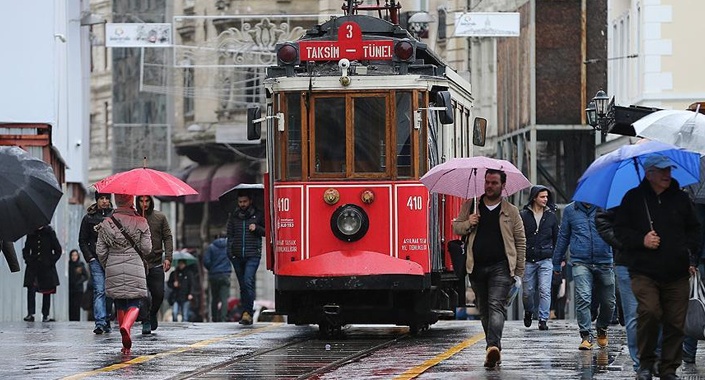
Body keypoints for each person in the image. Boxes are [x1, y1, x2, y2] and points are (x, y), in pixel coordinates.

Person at [615, 155, 701, 380]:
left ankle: (669, 368)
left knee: (675, 321)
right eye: (661, 170)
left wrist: (690, 256)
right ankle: (645, 363)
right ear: (648, 173)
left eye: (669, 170)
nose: (667, 174)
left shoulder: (681, 199)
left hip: (677, 273)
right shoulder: (633, 199)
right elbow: (620, 232)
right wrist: (641, 240)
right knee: (650, 312)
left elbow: (695, 230)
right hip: (644, 272)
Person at [452, 169, 526, 368]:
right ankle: (493, 349)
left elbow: (520, 242)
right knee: (484, 310)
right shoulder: (471, 205)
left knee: (496, 306)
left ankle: (492, 346)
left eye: (494, 183)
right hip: (475, 266)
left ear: (503, 186)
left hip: (501, 266)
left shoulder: (511, 211)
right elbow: (456, 228)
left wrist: (518, 272)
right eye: (487, 182)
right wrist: (469, 222)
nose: (489, 186)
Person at [553, 201, 615, 351]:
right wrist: (556, 261)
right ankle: (586, 335)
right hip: (581, 261)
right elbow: (563, 236)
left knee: (609, 302)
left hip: (604, 261)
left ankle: (602, 327)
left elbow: (616, 232)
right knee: (583, 297)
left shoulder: (606, 208)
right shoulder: (570, 210)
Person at [95, 193, 152, 355]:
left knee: (119, 301)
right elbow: (147, 249)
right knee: (135, 301)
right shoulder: (141, 221)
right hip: (135, 264)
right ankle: (126, 326)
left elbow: (100, 250)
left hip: (113, 264)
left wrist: (108, 264)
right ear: (131, 201)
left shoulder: (107, 223)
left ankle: (124, 343)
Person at [596, 207, 640, 371]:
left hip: (658, 262)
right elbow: (602, 220)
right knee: (633, 314)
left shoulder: (668, 196)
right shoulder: (621, 195)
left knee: (655, 313)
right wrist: (623, 243)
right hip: (626, 261)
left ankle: (656, 357)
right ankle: (640, 364)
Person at [519, 185, 558, 331]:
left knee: (544, 290)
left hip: (546, 259)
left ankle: (543, 319)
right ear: (534, 197)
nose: (545, 199)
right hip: (528, 259)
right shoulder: (523, 215)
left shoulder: (551, 216)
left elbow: (556, 238)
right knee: (528, 292)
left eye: (547, 197)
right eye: (542, 197)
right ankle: (528, 311)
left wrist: (558, 257)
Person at [135, 195, 174, 334]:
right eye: (141, 201)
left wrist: (168, 257)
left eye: (147, 201)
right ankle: (145, 320)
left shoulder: (160, 217)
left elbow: (167, 237)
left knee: (158, 294)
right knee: (143, 294)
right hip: (138, 262)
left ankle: (152, 314)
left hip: (156, 261)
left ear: (151, 201)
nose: (144, 204)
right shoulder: (133, 218)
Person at [227, 192, 265, 325]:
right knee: (243, 285)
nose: (242, 204)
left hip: (253, 254)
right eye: (240, 202)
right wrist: (230, 253)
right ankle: (246, 312)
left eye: (245, 201)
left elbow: (267, 231)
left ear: (250, 201)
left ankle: (248, 312)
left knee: (248, 281)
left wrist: (257, 228)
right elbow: (229, 236)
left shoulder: (258, 214)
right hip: (237, 256)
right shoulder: (234, 216)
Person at [78, 191, 114, 334]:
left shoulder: (115, 216)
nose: (104, 201)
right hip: (96, 260)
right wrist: (90, 257)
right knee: (99, 290)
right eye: (101, 198)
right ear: (97, 200)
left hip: (112, 260)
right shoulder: (89, 218)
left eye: (107, 198)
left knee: (110, 292)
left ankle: (107, 320)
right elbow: (82, 240)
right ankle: (99, 322)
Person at [22, 225, 62, 322]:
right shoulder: (31, 234)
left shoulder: (50, 233)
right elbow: (26, 250)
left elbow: (58, 250)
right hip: (33, 267)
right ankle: (30, 313)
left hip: (46, 267)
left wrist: (51, 261)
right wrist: (28, 260)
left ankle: (45, 314)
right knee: (31, 289)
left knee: (47, 291)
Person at [204, 234, 232, 322]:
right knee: (224, 299)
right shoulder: (228, 247)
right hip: (225, 275)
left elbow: (206, 261)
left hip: (214, 275)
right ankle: (223, 318)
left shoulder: (211, 247)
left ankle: (214, 318)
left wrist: (211, 268)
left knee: (214, 298)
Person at [68, 249, 88, 321]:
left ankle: (76, 320)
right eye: (72, 255)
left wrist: (79, 282)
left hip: (78, 289)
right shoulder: (69, 265)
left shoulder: (80, 265)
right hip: (70, 289)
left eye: (75, 255)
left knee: (77, 306)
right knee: (71, 305)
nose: (74, 257)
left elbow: (86, 276)